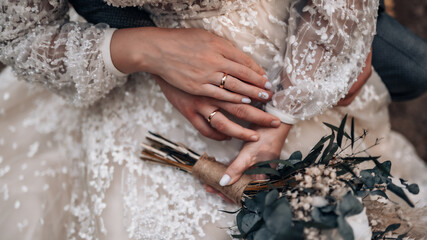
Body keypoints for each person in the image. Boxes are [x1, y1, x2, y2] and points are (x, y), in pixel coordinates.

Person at [0, 1, 426, 240]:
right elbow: (23, 36)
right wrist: (148, 52)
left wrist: (290, 106)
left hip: (301, 54)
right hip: (144, 103)